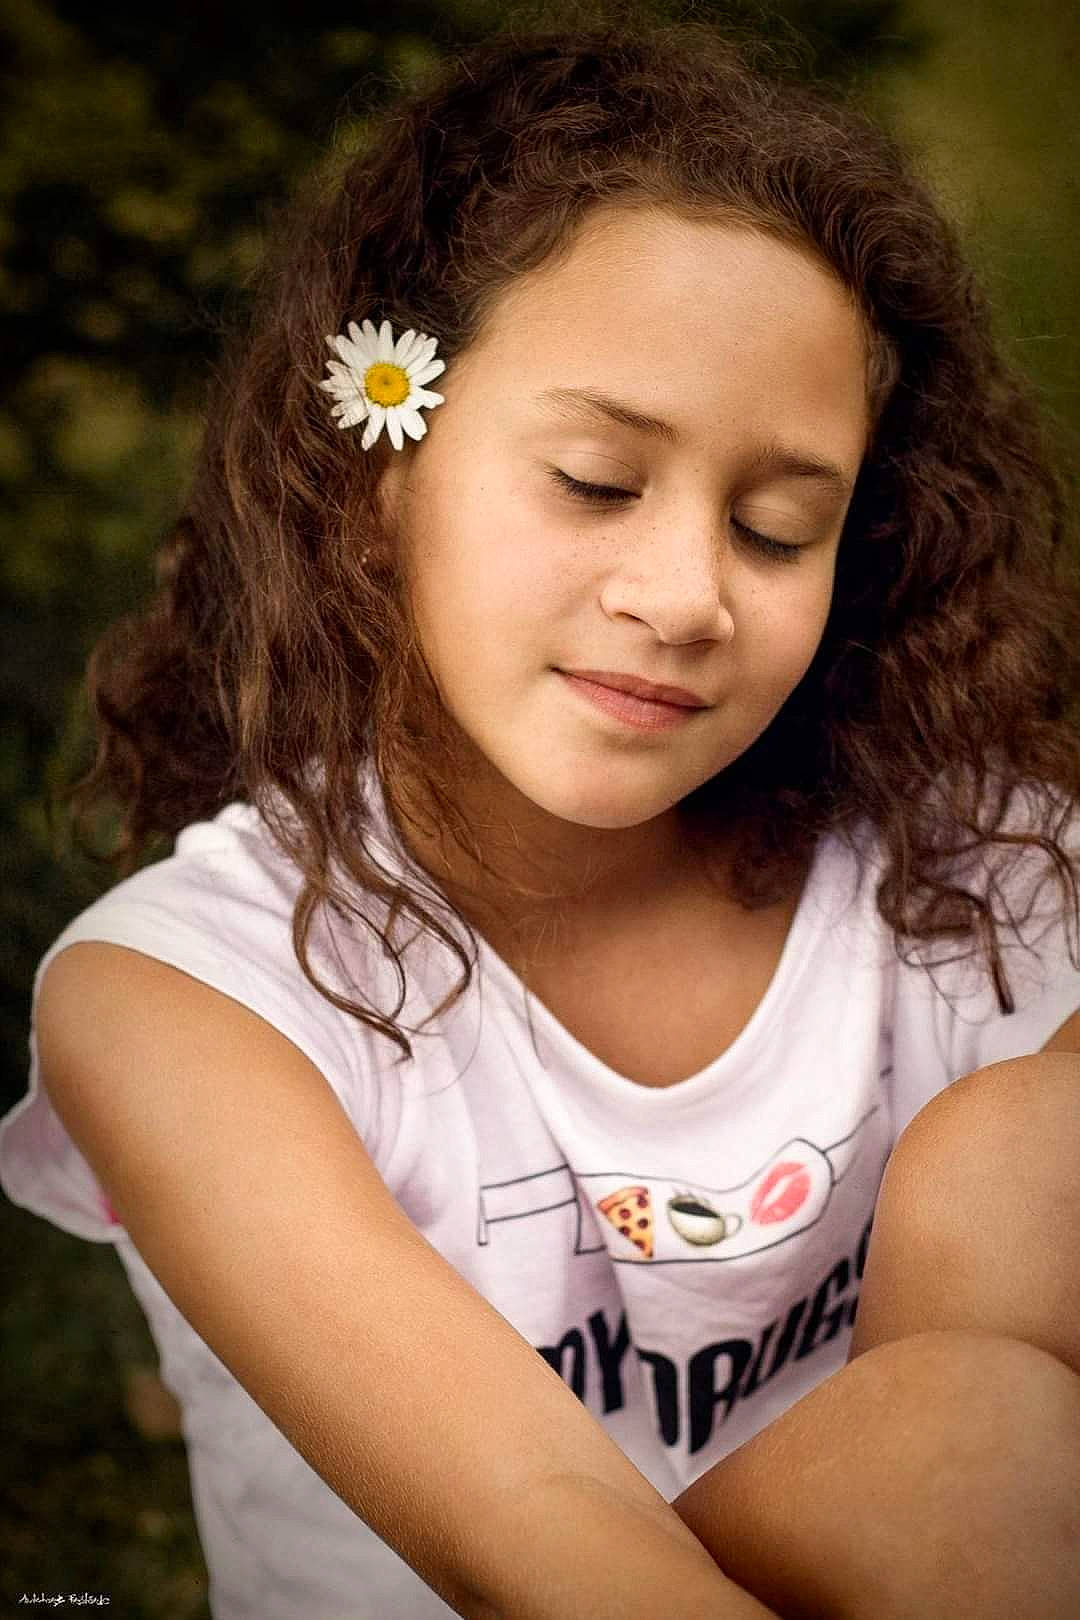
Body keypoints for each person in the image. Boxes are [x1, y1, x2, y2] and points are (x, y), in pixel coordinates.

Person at [3, 17, 1080, 1620]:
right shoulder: (179, 998)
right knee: (964, 1454)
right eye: (594, 480)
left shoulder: (983, 875)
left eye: (780, 530)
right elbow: (543, 1541)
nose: (685, 595)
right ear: (374, 484)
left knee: (1016, 1167)